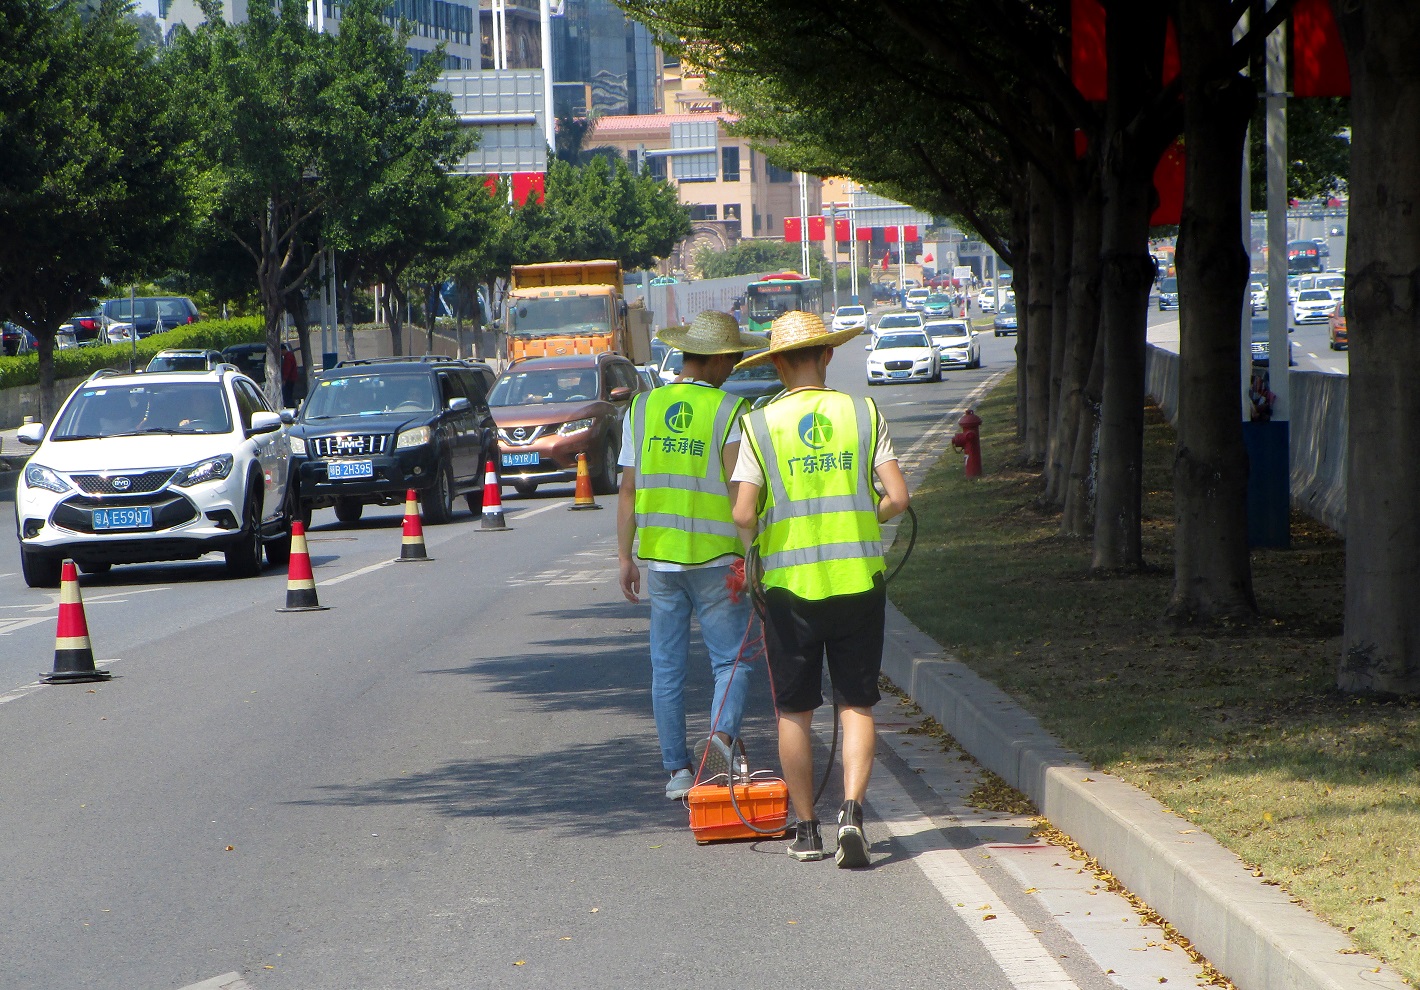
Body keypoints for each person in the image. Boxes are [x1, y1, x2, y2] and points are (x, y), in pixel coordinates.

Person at [730, 310, 909, 867]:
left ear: (778, 365)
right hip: (859, 581)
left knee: (794, 712)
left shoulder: (759, 425)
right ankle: (852, 812)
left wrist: (759, 537)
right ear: (828, 355)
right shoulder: (863, 411)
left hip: (789, 590)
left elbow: (742, 512)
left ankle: (807, 830)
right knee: (856, 703)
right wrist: (863, 514)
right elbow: (898, 499)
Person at [617, 310, 767, 800]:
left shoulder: (641, 408)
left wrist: (625, 557)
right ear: (719, 360)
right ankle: (721, 741)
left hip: (660, 562)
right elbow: (737, 493)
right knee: (734, 659)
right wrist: (753, 560)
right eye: (735, 358)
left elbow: (627, 491)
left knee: (667, 667)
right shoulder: (728, 411)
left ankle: (677, 771)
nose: (738, 365)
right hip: (719, 561)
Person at [281, 343, 299, 409]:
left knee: (287, 396)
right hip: (291, 378)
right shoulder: (289, 356)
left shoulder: (288, 357)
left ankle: (290, 408)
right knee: (289, 395)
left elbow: (287, 369)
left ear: (282, 350)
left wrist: (284, 379)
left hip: (289, 379)